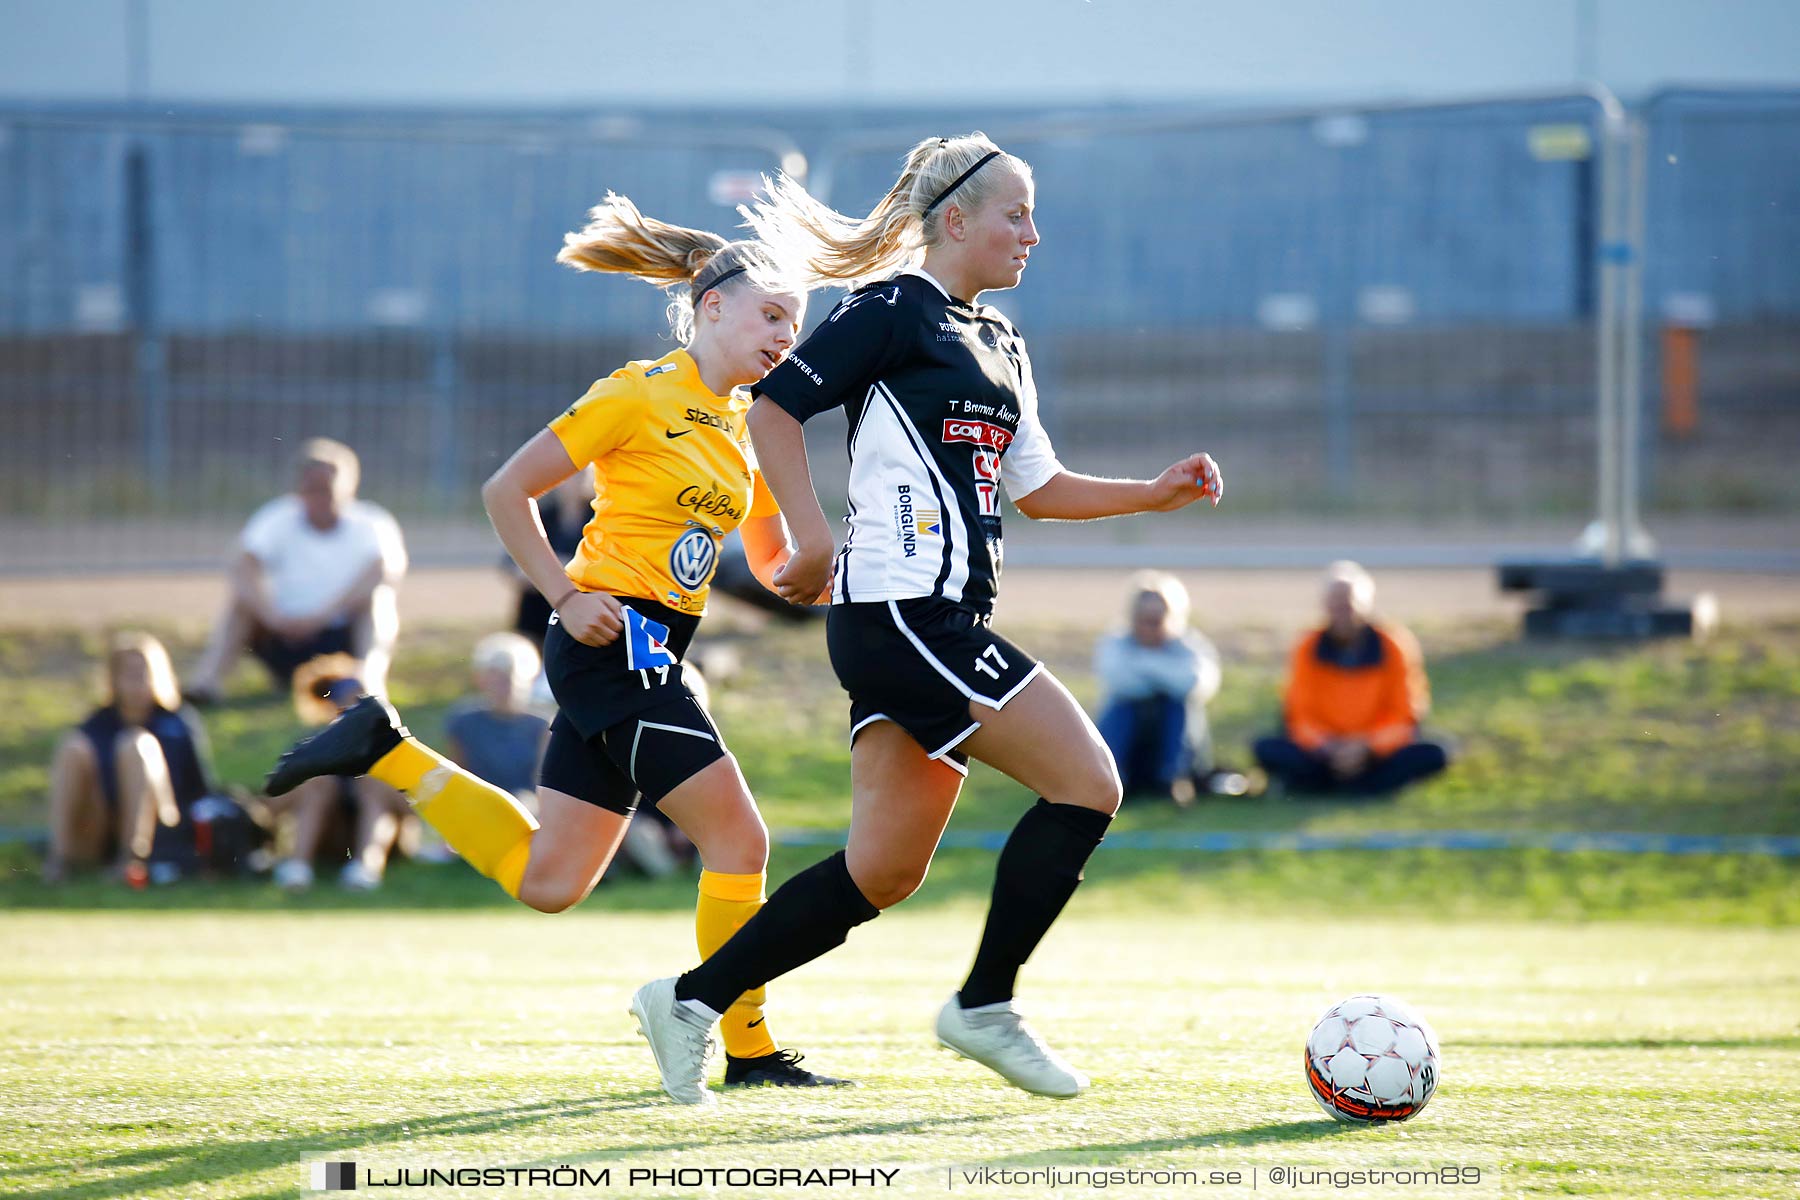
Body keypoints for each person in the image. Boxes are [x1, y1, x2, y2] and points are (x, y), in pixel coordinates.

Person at [625, 133, 1225, 1105]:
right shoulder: (896, 307)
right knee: (1087, 784)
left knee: (883, 872)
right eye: (1015, 213)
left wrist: (1151, 495)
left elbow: (1040, 488)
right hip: (903, 617)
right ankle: (985, 1006)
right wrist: (809, 540)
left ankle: (689, 1001)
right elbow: (776, 408)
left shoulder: (1002, 341)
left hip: (926, 623)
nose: (1033, 232)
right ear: (955, 220)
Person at [262, 193, 843, 1091]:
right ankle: (751, 1050)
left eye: (795, 325)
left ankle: (386, 751)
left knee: (549, 881)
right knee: (741, 843)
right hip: (609, 639)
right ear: (712, 306)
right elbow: (508, 490)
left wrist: (839, 569)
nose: (785, 336)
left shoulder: (750, 430)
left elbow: (774, 566)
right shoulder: (637, 393)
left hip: (652, 651)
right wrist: (566, 595)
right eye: (773, 314)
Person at [188, 438, 407, 702]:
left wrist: (323, 615)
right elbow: (241, 564)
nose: (321, 497)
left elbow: (385, 571)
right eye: (312, 488)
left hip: (339, 637)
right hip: (282, 632)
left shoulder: (371, 522)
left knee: (378, 602)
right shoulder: (278, 517)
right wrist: (272, 615)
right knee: (240, 603)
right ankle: (207, 682)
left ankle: (370, 682)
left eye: (327, 489)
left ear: (349, 486)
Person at [1253, 561, 1452, 796]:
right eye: (1336, 605)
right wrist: (1328, 746)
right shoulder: (1307, 646)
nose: (1342, 614)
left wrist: (1366, 746)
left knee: (1436, 752)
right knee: (1267, 748)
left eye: (1349, 605)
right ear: (1325, 606)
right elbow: (1298, 715)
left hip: (1375, 752)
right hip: (1324, 752)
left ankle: (1342, 786)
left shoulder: (1393, 645)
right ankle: (1358, 786)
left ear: (1366, 606)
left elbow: (1406, 715)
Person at [44, 632, 214, 884]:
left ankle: (130, 859)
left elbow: (201, 791)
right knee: (73, 748)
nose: (137, 682)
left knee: (135, 744)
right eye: (129, 674)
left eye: (144, 672)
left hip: (163, 829)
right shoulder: (98, 724)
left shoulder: (177, 722)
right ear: (113, 679)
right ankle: (59, 857)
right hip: (102, 826)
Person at [265, 655, 414, 892]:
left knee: (373, 784)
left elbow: (412, 810)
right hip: (329, 837)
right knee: (318, 782)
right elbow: (274, 804)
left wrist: (375, 785)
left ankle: (366, 867)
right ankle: (298, 867)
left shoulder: (393, 743)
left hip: (384, 837)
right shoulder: (313, 744)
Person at [1093, 572, 1243, 803]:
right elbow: (1121, 682)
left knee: (1178, 705)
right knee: (1124, 706)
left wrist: (1144, 667)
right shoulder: (1115, 641)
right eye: (1145, 620)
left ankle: (1174, 778)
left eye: (1158, 620)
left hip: (1178, 745)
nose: (1151, 628)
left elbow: (1194, 684)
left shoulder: (1190, 644)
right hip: (1132, 739)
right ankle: (1109, 775)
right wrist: (1165, 673)